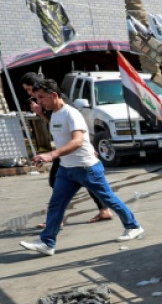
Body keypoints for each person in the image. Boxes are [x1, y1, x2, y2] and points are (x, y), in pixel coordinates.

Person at [19, 79, 144, 257]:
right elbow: (61, 131)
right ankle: (47, 242)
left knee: (108, 199)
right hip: (66, 169)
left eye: (41, 97)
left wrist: (51, 155)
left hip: (86, 168)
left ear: (54, 95)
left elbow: (77, 141)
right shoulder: (55, 114)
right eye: (37, 98)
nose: (38, 102)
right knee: (56, 204)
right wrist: (41, 115)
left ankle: (133, 226)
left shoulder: (71, 113)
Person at [19, 72, 113, 225]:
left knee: (64, 182)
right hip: (65, 152)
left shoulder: (62, 103)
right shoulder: (46, 103)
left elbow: (78, 127)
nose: (30, 94)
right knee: (71, 182)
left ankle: (58, 220)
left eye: (30, 89)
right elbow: (55, 125)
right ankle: (102, 210)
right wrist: (40, 113)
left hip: (72, 151)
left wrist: (87, 146)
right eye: (28, 91)